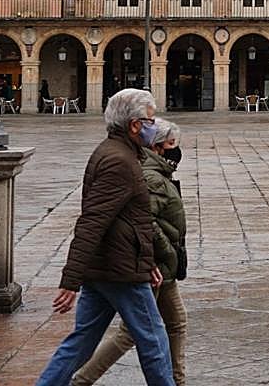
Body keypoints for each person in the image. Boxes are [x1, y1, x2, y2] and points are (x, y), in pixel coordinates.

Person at [34, 89, 176, 386]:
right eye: (150, 120)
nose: (155, 125)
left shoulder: (118, 153)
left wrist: (147, 261)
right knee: (154, 340)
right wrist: (70, 280)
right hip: (119, 269)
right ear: (135, 125)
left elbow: (130, 219)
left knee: (82, 342)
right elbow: (93, 221)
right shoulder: (118, 161)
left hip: (107, 265)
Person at [72, 119, 188, 386]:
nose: (176, 150)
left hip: (163, 264)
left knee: (176, 322)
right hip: (154, 262)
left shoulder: (158, 171)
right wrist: (164, 250)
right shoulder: (151, 176)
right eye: (171, 144)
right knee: (130, 332)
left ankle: (177, 381)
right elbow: (145, 221)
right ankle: (81, 380)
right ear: (156, 146)